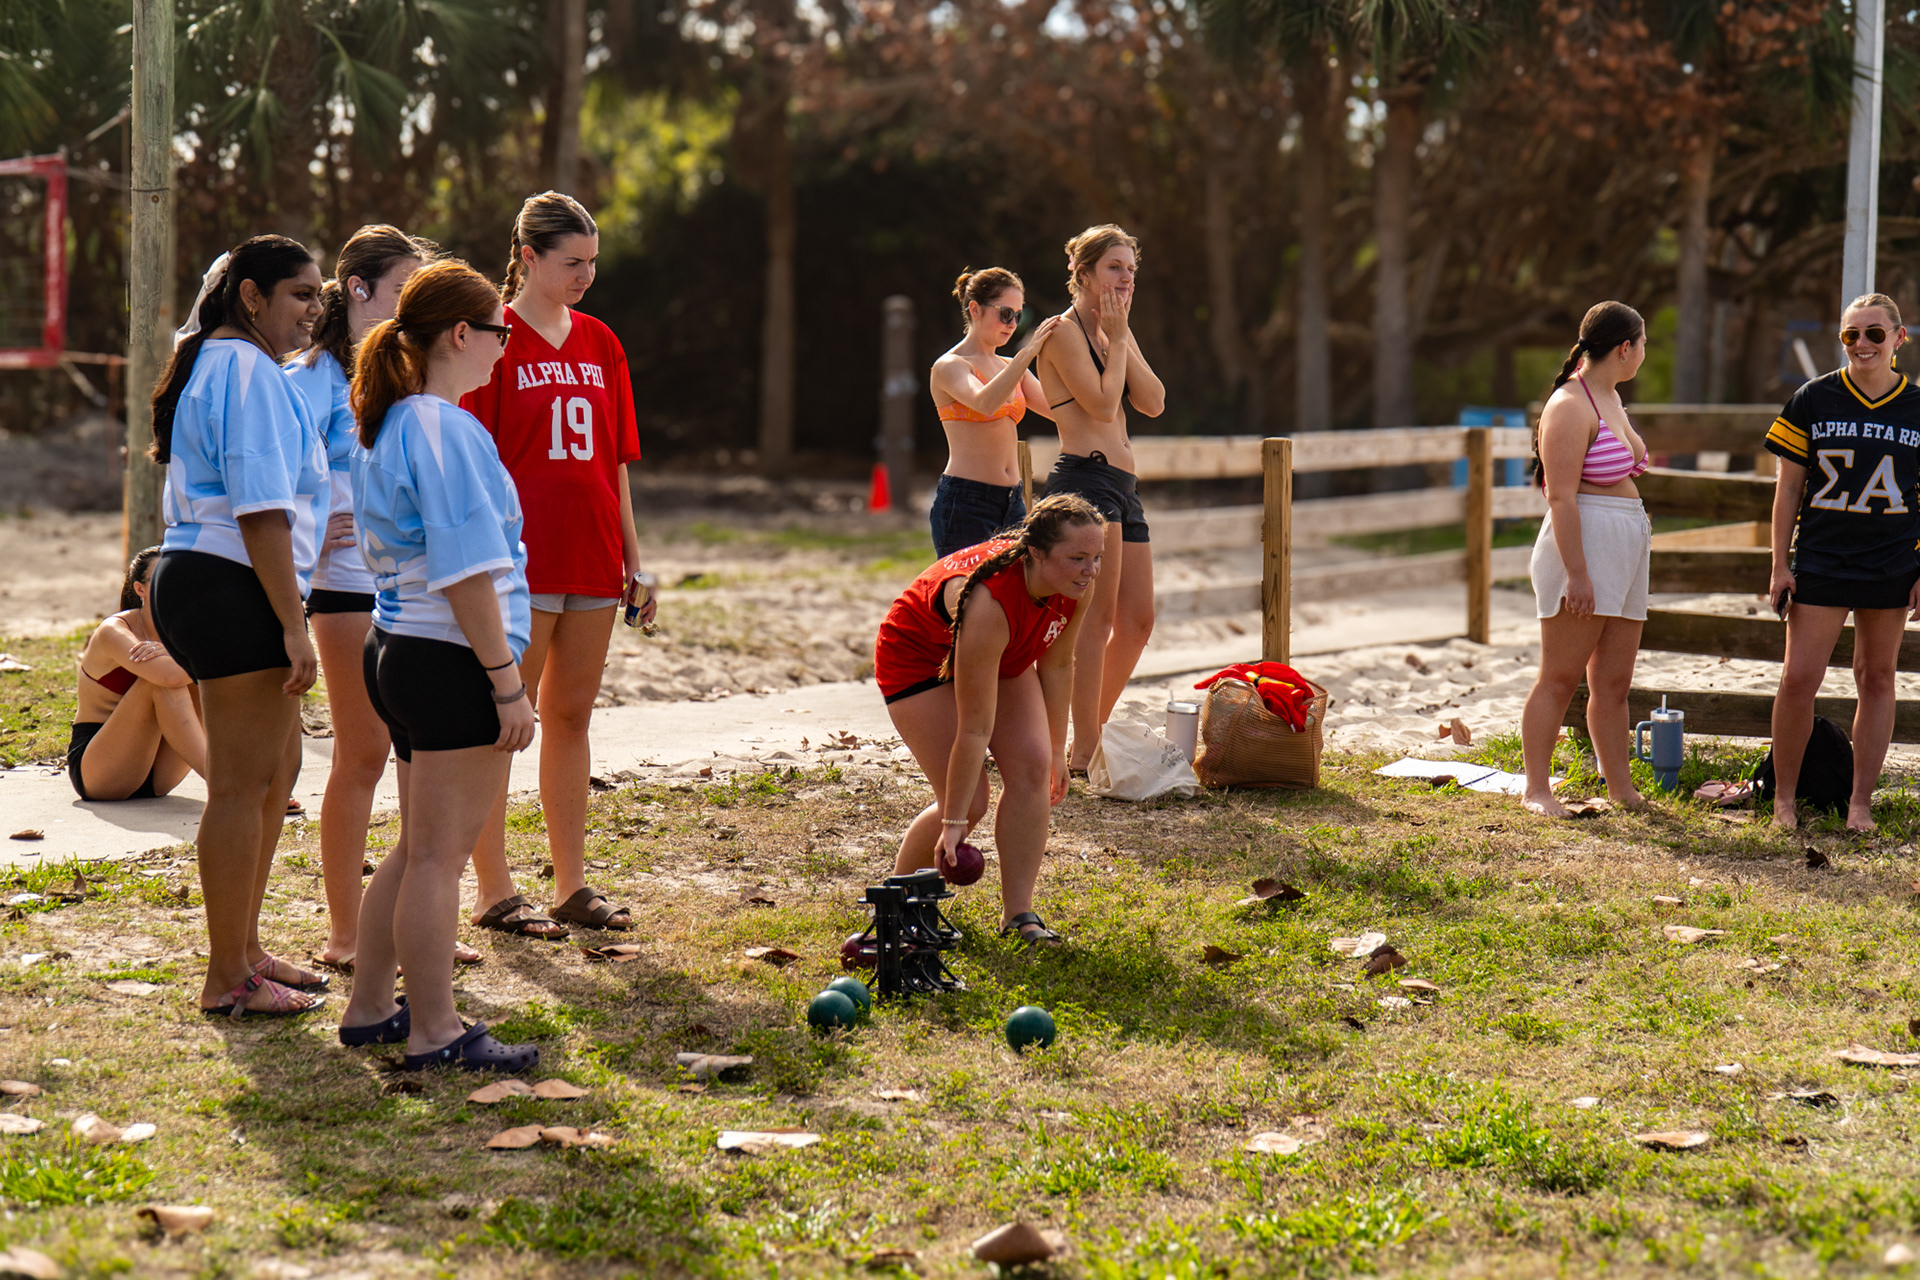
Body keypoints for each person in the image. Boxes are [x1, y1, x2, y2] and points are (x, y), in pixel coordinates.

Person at [337, 258, 541, 1072]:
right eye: (499, 331)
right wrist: (507, 684)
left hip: (400, 647)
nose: (504, 346)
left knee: (414, 848)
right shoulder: (444, 426)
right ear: (462, 334)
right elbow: (463, 571)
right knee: (436, 857)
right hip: (446, 653)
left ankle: (369, 1009)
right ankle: (435, 1030)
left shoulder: (391, 421)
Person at [146, 235, 333, 1018]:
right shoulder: (246, 369)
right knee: (240, 786)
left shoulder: (230, 363)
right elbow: (260, 509)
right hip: (232, 580)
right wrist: (295, 626)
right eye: (299, 294)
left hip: (214, 577)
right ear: (251, 297)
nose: (313, 311)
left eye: (319, 296)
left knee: (278, 771)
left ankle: (246, 948)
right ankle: (226, 976)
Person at [461, 191, 655, 943]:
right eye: (572, 263)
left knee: (571, 716)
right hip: (521, 559)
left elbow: (616, 461)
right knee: (507, 723)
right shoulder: (490, 337)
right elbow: (474, 460)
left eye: (593, 263)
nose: (586, 276)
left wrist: (634, 559)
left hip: (593, 554)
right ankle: (496, 889)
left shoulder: (603, 341)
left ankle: (571, 884)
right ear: (528, 258)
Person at [284, 224, 443, 970]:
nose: (413, 302)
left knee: (420, 755)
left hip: (408, 588)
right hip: (342, 591)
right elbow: (276, 487)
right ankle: (346, 934)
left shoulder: (409, 372)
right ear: (358, 289)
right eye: (403, 287)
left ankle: (418, 926)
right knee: (364, 755)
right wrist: (319, 522)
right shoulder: (303, 379)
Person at [874, 494, 1106, 946]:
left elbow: (1057, 666)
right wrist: (955, 822)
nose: (1091, 569)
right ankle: (896, 909)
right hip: (919, 660)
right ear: (1036, 552)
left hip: (1000, 651)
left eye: (1097, 557)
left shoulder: (1077, 582)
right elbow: (976, 729)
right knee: (969, 801)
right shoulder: (989, 602)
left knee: (1035, 766)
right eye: (1078, 557)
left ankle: (1020, 915)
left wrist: (1058, 749)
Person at [1764, 293, 1920, 832]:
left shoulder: (1917, 407)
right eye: (1851, 335)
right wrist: (1779, 564)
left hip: (1892, 561)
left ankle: (1860, 805)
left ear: (1900, 339)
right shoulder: (1813, 397)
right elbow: (1788, 490)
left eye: (1875, 333)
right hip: (1823, 559)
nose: (1863, 345)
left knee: (1876, 678)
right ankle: (1784, 800)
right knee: (1797, 679)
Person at [1032, 225, 1166, 773]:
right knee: (1098, 621)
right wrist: (1114, 339)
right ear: (1083, 274)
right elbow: (1105, 405)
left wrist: (1123, 337)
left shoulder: (1117, 329)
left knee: (1139, 621)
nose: (1126, 277)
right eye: (1115, 267)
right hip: (1084, 481)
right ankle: (1084, 751)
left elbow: (1153, 402)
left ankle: (1091, 735)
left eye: (1131, 268)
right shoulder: (1063, 333)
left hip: (1124, 488)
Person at [1518, 301, 1651, 817]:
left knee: (1614, 681)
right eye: (1642, 344)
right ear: (1625, 347)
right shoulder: (1570, 406)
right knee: (1560, 675)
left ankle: (1621, 787)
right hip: (1584, 548)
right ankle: (1537, 790)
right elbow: (1560, 496)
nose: (1643, 354)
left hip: (1625, 546)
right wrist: (1577, 573)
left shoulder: (1611, 398)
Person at [928, 268, 1065, 558]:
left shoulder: (1009, 366)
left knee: (1011, 596)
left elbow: (1063, 411)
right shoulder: (950, 365)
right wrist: (1027, 353)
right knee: (969, 597)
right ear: (974, 309)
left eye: (1019, 316)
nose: (1012, 324)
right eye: (1005, 314)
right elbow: (985, 402)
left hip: (1013, 499)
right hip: (966, 500)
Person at [66, 548, 206, 802]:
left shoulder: (186, 629)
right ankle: (234, 788)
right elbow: (170, 678)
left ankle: (246, 779)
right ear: (140, 589)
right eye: (163, 579)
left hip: (156, 775)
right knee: (160, 683)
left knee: (207, 685)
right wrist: (197, 654)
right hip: (99, 770)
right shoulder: (114, 630)